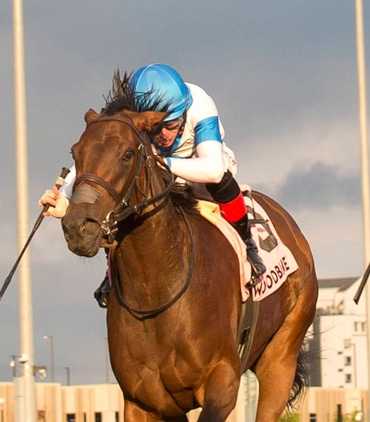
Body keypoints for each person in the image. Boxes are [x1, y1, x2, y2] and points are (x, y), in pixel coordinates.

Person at [40, 63, 265, 307]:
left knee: (221, 180)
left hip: (197, 165)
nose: (166, 133)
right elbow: (97, 156)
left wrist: (162, 162)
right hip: (153, 170)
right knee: (122, 197)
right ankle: (112, 272)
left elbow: (213, 169)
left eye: (173, 124)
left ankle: (247, 243)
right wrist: (64, 196)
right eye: (158, 127)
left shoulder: (200, 103)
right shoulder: (127, 113)